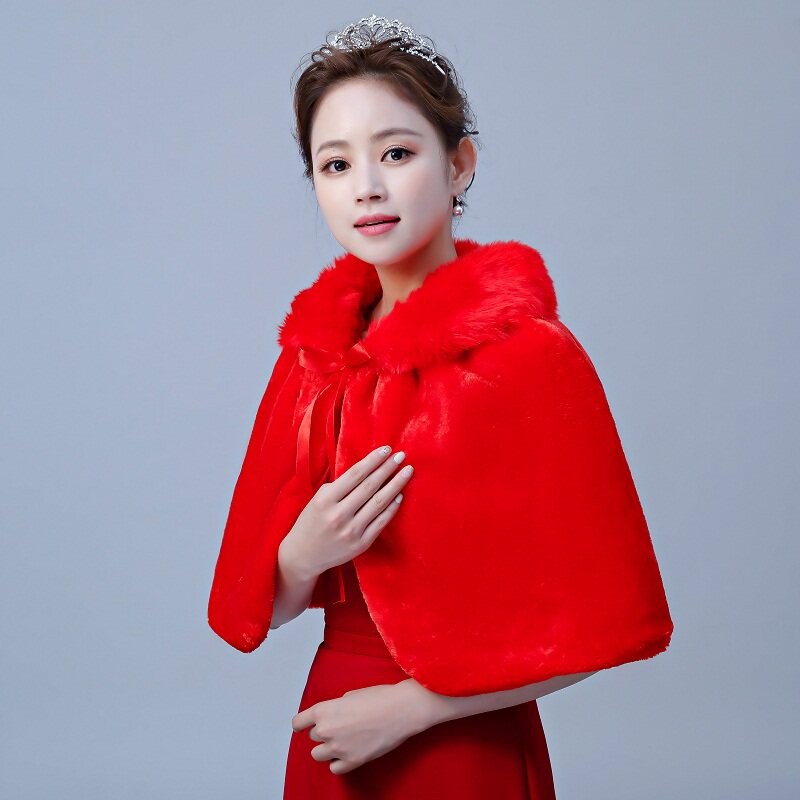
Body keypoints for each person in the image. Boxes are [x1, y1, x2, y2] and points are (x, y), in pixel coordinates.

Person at [207, 15, 674, 798]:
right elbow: (258, 605)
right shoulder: (312, 363)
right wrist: (301, 554)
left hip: (461, 740)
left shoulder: (530, 356)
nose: (367, 186)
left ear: (459, 165)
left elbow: (608, 623)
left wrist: (413, 709)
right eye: (335, 163)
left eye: (396, 153)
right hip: (332, 730)